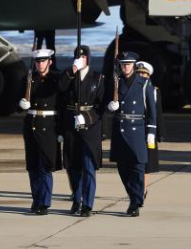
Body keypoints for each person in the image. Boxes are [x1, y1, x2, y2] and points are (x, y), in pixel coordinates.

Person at [105, 51, 157, 216]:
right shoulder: (116, 82)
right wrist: (110, 106)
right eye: (123, 64)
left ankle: (135, 201)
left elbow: (151, 110)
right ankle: (134, 194)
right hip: (120, 128)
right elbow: (106, 102)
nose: (125, 67)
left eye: (128, 64)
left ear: (134, 65)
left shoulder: (144, 83)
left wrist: (151, 131)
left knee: (137, 166)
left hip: (137, 128)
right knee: (122, 167)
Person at [59, 45, 104, 217]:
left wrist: (87, 117)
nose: (81, 59)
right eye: (78, 57)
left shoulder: (97, 78)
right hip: (71, 125)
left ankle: (87, 204)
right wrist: (73, 69)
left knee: (88, 166)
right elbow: (61, 89)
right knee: (73, 167)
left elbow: (100, 106)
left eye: (84, 57)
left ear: (89, 59)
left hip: (89, 128)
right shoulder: (69, 75)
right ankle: (76, 200)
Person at [18, 48, 62, 215]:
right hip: (31, 125)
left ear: (49, 62)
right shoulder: (28, 79)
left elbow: (61, 104)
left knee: (45, 167)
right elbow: (17, 101)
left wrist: (61, 130)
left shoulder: (55, 80)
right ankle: (36, 200)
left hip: (49, 126)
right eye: (37, 61)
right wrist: (20, 103)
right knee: (32, 167)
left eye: (43, 61)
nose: (40, 64)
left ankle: (44, 203)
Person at [135, 61, 165, 199]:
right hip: (135, 129)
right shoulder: (132, 89)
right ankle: (137, 187)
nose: (141, 75)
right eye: (139, 73)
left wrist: (160, 133)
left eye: (144, 73)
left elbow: (157, 113)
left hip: (148, 131)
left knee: (146, 162)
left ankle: (143, 188)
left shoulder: (154, 91)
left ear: (148, 75)